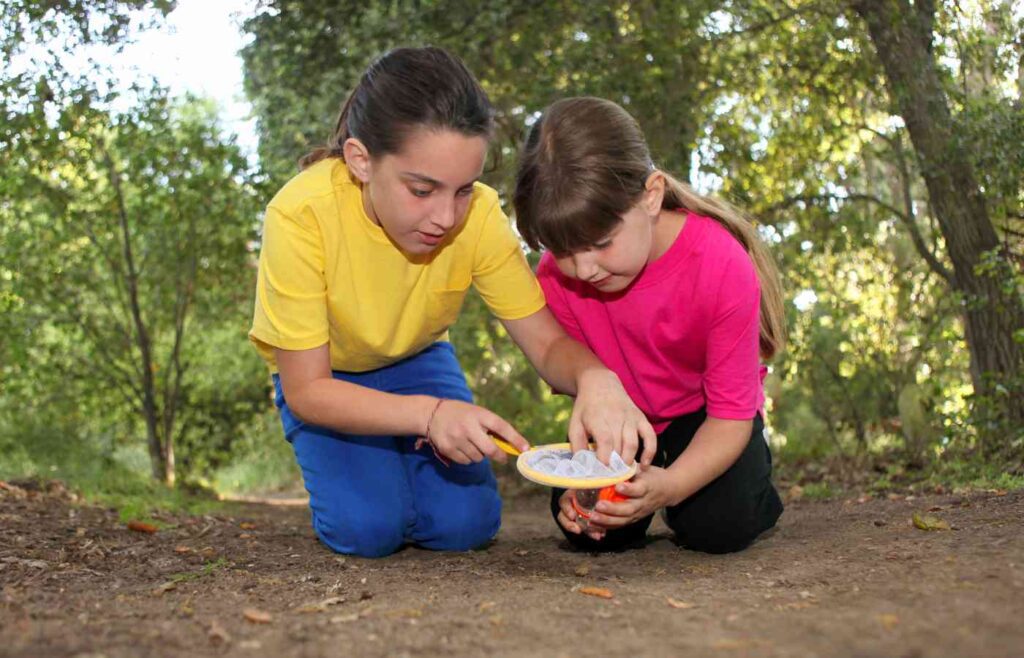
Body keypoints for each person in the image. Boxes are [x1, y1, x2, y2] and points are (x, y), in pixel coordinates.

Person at [248, 49, 654, 559]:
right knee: (367, 530)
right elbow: (307, 390)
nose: (445, 216)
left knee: (466, 526)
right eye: (422, 189)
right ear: (361, 160)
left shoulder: (480, 218)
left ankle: (409, 473)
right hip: (330, 377)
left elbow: (547, 344)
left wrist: (596, 377)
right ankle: (382, 478)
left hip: (418, 361)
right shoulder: (299, 216)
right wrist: (430, 415)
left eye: (463, 189)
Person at [513, 97, 786, 554]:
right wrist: (582, 499)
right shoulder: (559, 274)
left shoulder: (719, 263)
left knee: (720, 525)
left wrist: (672, 486)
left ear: (651, 196)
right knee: (593, 530)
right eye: (562, 250)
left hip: (706, 422)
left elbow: (730, 417)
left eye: (601, 243)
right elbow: (559, 353)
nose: (583, 270)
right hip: (618, 425)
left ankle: (740, 489)